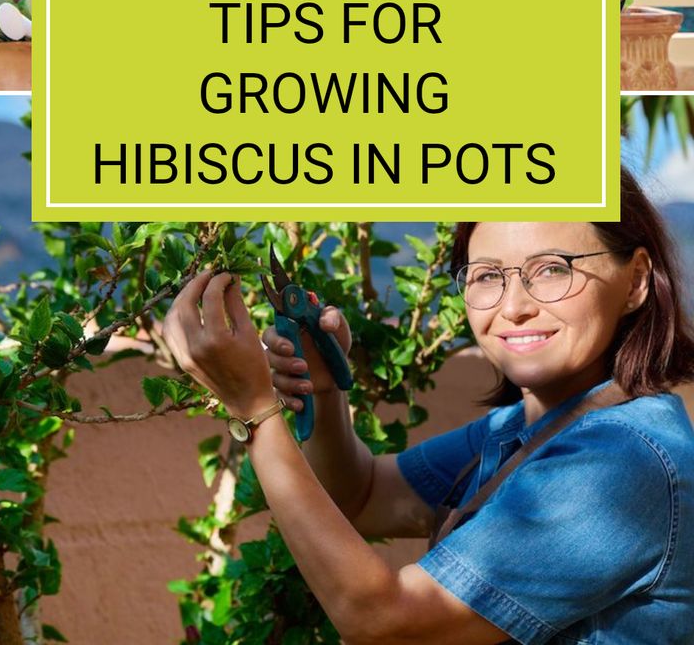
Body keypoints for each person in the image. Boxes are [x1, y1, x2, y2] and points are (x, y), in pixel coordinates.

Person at [162, 171, 694, 644]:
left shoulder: (623, 461)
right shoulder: (523, 428)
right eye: (487, 276)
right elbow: (362, 495)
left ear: (638, 281)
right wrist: (324, 393)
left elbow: (387, 624)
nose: (513, 306)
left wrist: (256, 410)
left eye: (553, 269)